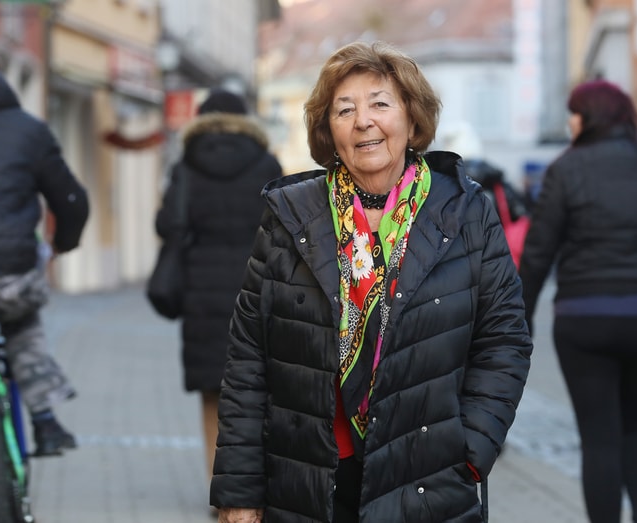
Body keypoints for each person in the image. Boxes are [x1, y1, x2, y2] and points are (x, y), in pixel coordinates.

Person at [209, 41, 532, 523]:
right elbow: (248, 359)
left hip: (428, 480)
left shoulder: (465, 212)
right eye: (345, 110)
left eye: (380, 104)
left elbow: (503, 339)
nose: (363, 121)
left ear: (412, 118)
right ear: (329, 132)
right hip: (308, 485)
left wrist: (470, 450)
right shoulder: (291, 217)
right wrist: (240, 492)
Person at [518, 80, 637, 523]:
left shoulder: (565, 170)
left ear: (589, 118)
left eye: (574, 113)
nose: (570, 122)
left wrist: (519, 319)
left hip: (585, 320)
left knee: (599, 439)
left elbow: (538, 253)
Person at [0, 50, 89, 522]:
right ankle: (46, 418)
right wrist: (64, 243)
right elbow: (71, 199)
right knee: (22, 322)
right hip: (11, 275)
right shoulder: (28, 130)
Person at [154, 88, 282, 492]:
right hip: (258, 288)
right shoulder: (266, 163)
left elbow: (168, 224)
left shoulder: (187, 165)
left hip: (202, 292)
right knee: (260, 391)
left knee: (213, 392)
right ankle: (258, 483)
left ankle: (221, 488)